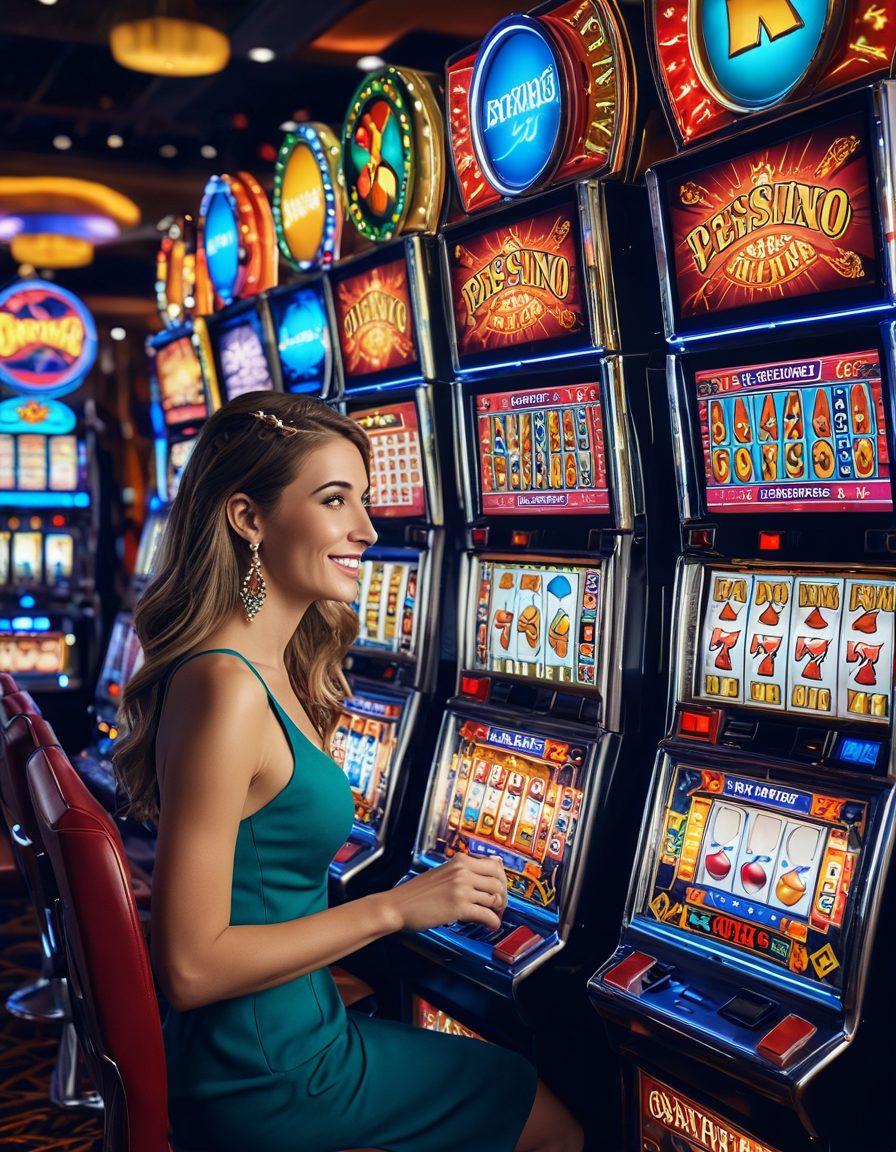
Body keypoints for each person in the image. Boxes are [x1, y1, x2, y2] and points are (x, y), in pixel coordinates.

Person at [114, 392, 584, 1152]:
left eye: (363, 501)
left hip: (286, 1036)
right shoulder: (226, 686)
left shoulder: (267, 669)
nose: (366, 530)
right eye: (335, 500)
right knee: (544, 1121)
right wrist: (397, 908)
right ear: (249, 519)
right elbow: (191, 967)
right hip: (268, 1073)